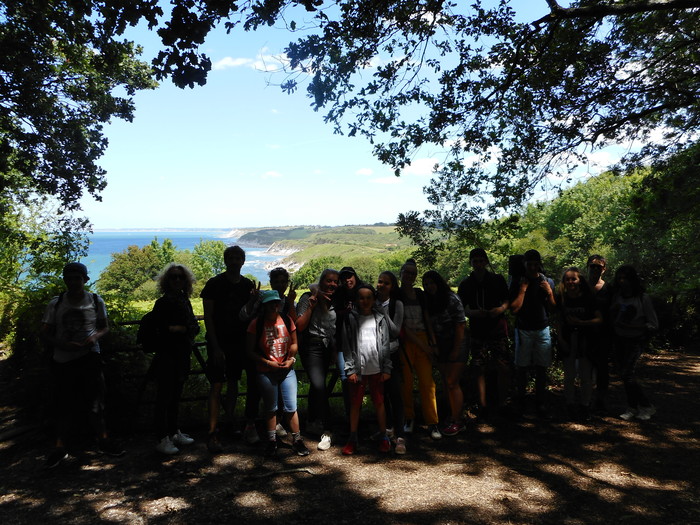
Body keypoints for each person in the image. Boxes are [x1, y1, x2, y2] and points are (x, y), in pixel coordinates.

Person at [40, 262, 124, 468]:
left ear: (85, 279)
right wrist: (63, 345)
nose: (73, 282)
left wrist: (94, 338)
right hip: (62, 360)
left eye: (77, 278)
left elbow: (104, 327)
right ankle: (60, 447)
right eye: (69, 278)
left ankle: (103, 441)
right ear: (65, 280)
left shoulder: (95, 300)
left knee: (96, 404)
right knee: (63, 405)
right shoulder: (56, 303)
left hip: (89, 358)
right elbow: (44, 333)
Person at [200, 245, 257, 453]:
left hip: (239, 342)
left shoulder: (248, 285)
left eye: (237, 258)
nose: (234, 261)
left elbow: (250, 315)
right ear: (225, 261)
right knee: (216, 384)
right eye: (230, 258)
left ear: (243, 261)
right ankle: (212, 431)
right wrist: (215, 346)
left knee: (233, 382)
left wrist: (254, 300)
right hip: (219, 341)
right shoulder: (214, 284)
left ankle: (229, 421)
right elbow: (208, 317)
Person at [246, 290, 310, 457]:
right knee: (271, 407)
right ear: (264, 305)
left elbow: (294, 343)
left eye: (276, 302)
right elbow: (250, 351)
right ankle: (271, 441)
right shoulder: (256, 324)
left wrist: (291, 359)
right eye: (270, 303)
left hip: (287, 369)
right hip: (266, 371)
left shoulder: (287, 320)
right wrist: (268, 363)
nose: (274, 306)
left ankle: (297, 440)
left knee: (291, 406)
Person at [151, 263, 200, 455]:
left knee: (175, 395)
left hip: (181, 354)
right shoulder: (162, 303)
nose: (177, 280)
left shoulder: (183, 300)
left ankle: (172, 432)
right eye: (173, 277)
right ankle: (161, 438)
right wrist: (182, 329)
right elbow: (161, 330)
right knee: (164, 397)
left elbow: (193, 326)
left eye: (181, 277)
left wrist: (181, 329)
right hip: (167, 355)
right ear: (166, 281)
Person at [457, 248, 511, 419]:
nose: (479, 264)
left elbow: (507, 300)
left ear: (486, 262)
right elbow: (461, 308)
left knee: (502, 365)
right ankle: (482, 404)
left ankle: (503, 403)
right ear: (471, 263)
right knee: (478, 366)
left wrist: (500, 309)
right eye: (475, 261)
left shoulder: (497, 279)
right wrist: (472, 313)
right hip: (478, 330)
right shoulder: (466, 284)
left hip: (497, 328)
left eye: (481, 260)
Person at [340, 284, 393, 455]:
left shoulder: (380, 318)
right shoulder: (350, 319)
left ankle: (383, 436)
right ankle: (353, 438)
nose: (365, 301)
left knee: (379, 402)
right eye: (361, 298)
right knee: (355, 404)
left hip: (377, 368)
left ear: (374, 299)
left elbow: (385, 344)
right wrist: (350, 369)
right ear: (356, 300)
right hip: (358, 370)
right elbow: (346, 346)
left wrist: (386, 368)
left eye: (369, 297)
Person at [509, 249, 556, 419]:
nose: (533, 267)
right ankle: (521, 401)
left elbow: (553, 308)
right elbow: (514, 309)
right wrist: (522, 290)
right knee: (521, 368)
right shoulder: (517, 282)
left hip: (542, 329)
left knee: (541, 367)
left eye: (536, 264)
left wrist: (549, 292)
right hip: (523, 330)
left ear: (539, 264)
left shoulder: (547, 282)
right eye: (530, 264)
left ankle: (540, 401)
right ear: (524, 264)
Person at [296, 268, 339, 450]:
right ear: (321, 281)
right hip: (311, 347)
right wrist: (313, 303)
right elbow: (299, 325)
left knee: (317, 386)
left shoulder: (336, 300)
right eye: (328, 280)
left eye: (335, 281)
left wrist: (334, 350)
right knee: (319, 385)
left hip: (327, 348)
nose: (332, 284)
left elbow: (333, 329)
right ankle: (328, 429)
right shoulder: (308, 297)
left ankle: (312, 420)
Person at [398, 259, 441, 440]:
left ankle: (432, 422)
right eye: (407, 272)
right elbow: (402, 326)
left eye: (413, 273)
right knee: (406, 383)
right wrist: (425, 346)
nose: (409, 276)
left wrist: (432, 341)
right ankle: (409, 418)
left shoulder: (419, 294)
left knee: (427, 382)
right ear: (401, 273)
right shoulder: (397, 294)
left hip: (423, 338)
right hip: (405, 342)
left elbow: (426, 317)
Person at [610, 265, 658, 421]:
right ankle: (633, 407)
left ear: (632, 280)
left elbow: (653, 324)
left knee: (628, 374)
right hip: (619, 339)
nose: (622, 281)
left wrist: (634, 327)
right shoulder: (618, 297)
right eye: (619, 278)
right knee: (624, 375)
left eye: (625, 278)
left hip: (635, 340)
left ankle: (645, 406)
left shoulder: (643, 298)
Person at [422, 270, 468, 436]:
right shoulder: (429, 301)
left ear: (439, 282)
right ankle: (452, 416)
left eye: (432, 283)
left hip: (457, 342)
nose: (429, 287)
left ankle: (458, 421)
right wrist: (434, 344)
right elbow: (429, 324)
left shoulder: (451, 298)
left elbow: (460, 325)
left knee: (452, 382)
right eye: (426, 284)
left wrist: (456, 350)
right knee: (446, 381)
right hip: (441, 344)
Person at [554, 267, 602, 422]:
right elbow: (558, 321)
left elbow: (599, 318)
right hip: (568, 340)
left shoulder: (588, 298)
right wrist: (561, 339)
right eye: (567, 279)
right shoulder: (562, 298)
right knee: (569, 376)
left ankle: (584, 406)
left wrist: (582, 323)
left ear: (580, 280)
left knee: (585, 376)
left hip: (585, 341)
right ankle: (570, 405)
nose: (570, 282)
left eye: (573, 279)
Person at [375, 271, 406, 454]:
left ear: (392, 286)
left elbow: (395, 331)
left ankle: (400, 434)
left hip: (392, 355)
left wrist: (383, 314)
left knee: (395, 394)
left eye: (386, 283)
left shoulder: (397, 304)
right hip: (375, 356)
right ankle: (387, 430)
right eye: (380, 282)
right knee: (381, 394)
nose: (382, 285)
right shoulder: (371, 301)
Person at [334, 266, 364, 417]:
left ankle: (358, 415)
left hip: (362, 343)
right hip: (341, 343)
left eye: (350, 276)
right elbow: (315, 287)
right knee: (346, 378)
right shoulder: (338, 294)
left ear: (355, 277)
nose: (347, 280)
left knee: (361, 378)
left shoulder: (363, 292)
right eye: (344, 277)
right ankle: (351, 416)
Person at [586, 254, 614, 412]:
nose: (595, 269)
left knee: (602, 368)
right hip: (584, 333)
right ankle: (586, 398)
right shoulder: (580, 286)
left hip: (604, 335)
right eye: (593, 266)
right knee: (585, 368)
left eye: (599, 266)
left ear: (604, 269)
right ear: (588, 267)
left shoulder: (609, 289)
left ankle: (600, 399)